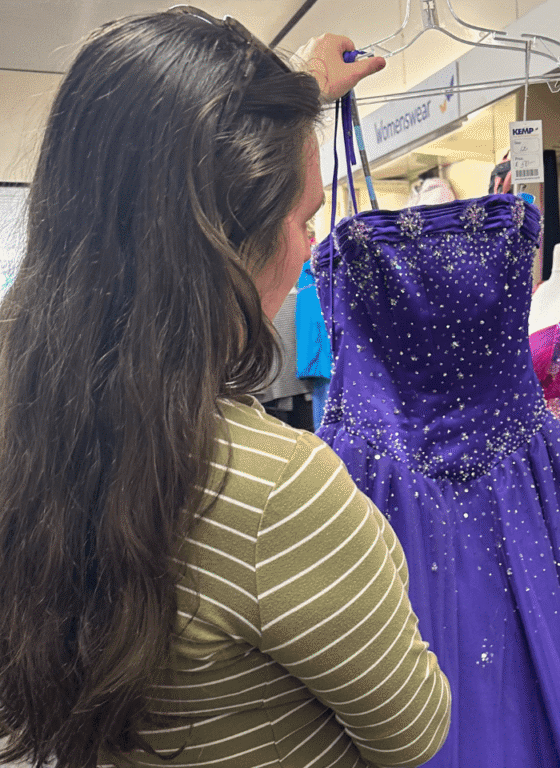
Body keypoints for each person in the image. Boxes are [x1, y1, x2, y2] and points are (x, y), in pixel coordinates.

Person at [0, 8, 450, 768]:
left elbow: (157, 167)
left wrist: (297, 88)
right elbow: (412, 732)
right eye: (305, 219)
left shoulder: (27, 402)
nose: (312, 248)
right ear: (223, 244)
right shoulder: (280, 493)